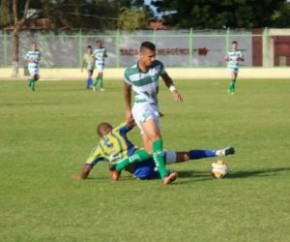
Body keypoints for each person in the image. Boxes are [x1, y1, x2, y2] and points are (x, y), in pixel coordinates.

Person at [75, 121, 235, 181]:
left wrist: (80, 176)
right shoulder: (117, 131)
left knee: (143, 174)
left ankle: (165, 172)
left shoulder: (96, 149)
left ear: (100, 136)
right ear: (110, 129)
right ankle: (218, 152)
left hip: (136, 166)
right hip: (146, 152)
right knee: (184, 155)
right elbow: (132, 121)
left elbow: (86, 170)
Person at [123, 41, 183, 185]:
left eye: (154, 56)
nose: (152, 59)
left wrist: (173, 90)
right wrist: (128, 110)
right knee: (157, 138)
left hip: (153, 107)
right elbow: (126, 91)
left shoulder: (158, 66)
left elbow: (166, 78)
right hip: (140, 108)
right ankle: (164, 176)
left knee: (150, 150)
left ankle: (118, 166)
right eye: (149, 56)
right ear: (140, 55)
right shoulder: (130, 73)